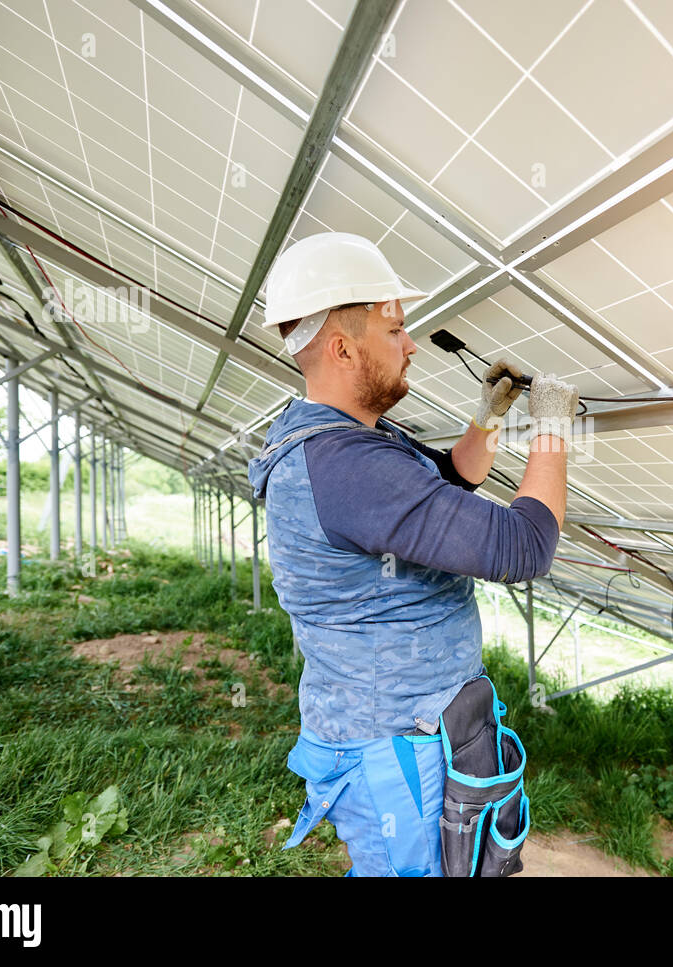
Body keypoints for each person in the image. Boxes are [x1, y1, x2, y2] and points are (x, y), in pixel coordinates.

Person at [246, 232, 579, 876]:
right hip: (395, 748)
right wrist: (554, 429)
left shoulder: (336, 438)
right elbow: (525, 546)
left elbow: (443, 487)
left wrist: (489, 417)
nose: (412, 344)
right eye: (395, 328)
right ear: (343, 347)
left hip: (405, 730)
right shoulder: (348, 464)